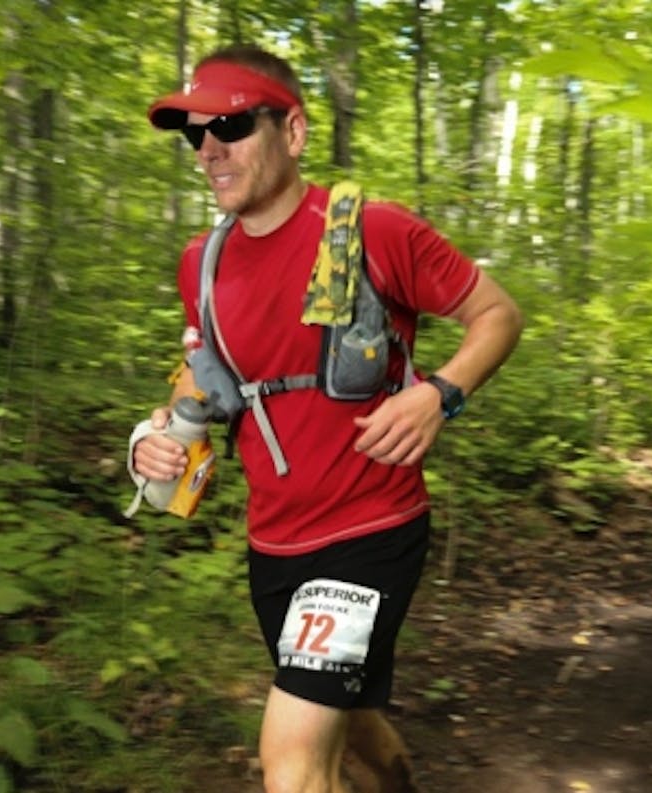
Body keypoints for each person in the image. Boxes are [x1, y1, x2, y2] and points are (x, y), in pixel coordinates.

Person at [131, 44, 523, 793]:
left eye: (233, 126)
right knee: (353, 720)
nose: (210, 148)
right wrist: (161, 439)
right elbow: (206, 386)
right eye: (195, 134)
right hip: (274, 542)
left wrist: (440, 391)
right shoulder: (200, 265)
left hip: (370, 530)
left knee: (292, 758)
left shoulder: (376, 231)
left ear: (294, 132)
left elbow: (498, 315)